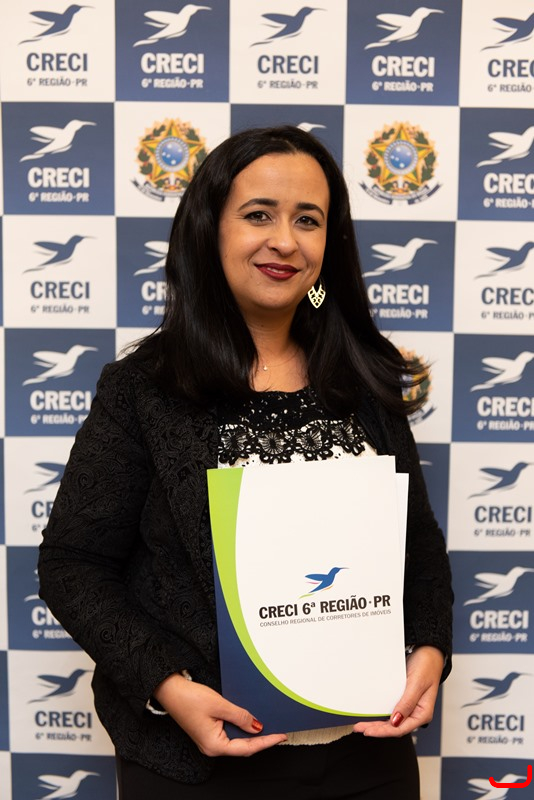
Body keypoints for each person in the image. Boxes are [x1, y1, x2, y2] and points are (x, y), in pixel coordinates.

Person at [38, 125, 453, 799]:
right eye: (259, 215)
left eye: (308, 220)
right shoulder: (142, 389)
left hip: (367, 758)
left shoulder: (364, 381)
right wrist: (169, 687)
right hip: (198, 767)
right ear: (210, 231)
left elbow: (420, 551)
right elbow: (72, 566)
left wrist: (430, 650)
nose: (285, 241)